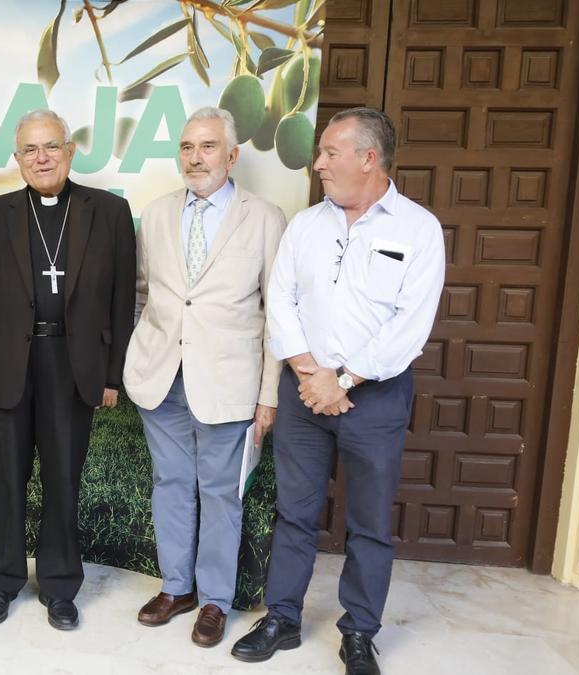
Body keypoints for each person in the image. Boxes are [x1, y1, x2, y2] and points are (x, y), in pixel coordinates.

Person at [231, 107, 445, 675]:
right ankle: (281, 618)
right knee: (294, 512)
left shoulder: (419, 230)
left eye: (330, 152)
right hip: (306, 394)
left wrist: (342, 379)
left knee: (369, 523)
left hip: (373, 398)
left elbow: (410, 325)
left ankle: (358, 633)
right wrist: (308, 374)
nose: (319, 162)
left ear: (368, 158)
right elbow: (282, 301)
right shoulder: (307, 224)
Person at [0, 109, 135, 630]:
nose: (41, 158)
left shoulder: (109, 212)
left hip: (73, 364)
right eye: (30, 151)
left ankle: (59, 586)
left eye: (51, 147)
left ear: (70, 151)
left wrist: (111, 374)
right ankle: (4, 580)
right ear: (17, 159)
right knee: (5, 479)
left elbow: (122, 300)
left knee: (63, 479)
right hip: (8, 363)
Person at [124, 107, 285, 647]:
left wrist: (268, 397)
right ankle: (176, 587)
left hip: (229, 385)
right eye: (188, 147)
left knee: (221, 494)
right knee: (170, 485)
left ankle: (214, 598)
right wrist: (138, 355)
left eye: (209, 146)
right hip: (161, 377)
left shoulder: (264, 217)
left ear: (233, 155)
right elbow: (145, 293)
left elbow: (276, 314)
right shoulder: (157, 213)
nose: (196, 157)